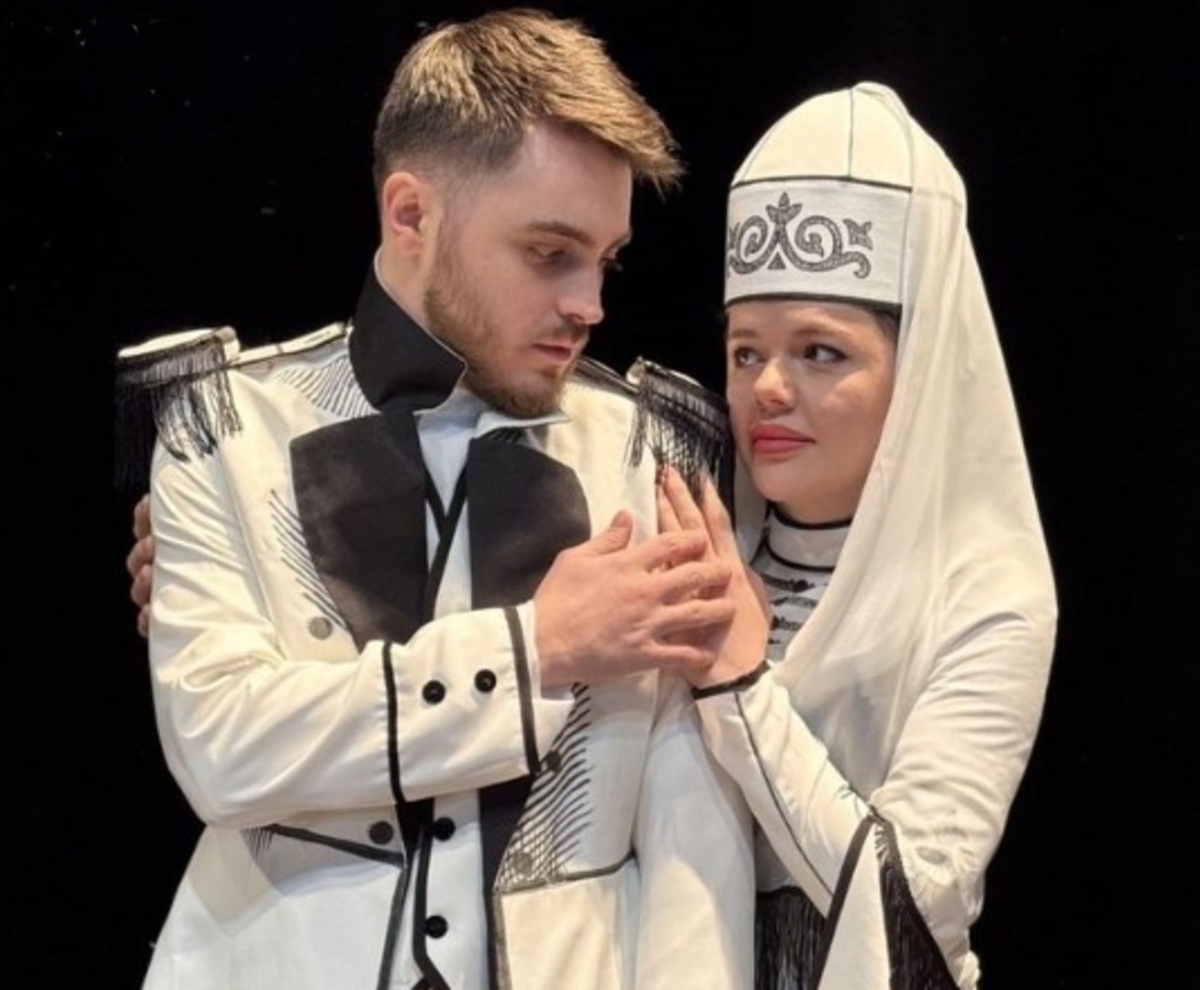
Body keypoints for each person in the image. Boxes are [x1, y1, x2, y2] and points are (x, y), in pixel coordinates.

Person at [112, 9, 755, 989]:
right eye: (549, 252)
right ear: (410, 215)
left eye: (606, 259)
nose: (590, 304)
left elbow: (688, 838)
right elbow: (222, 748)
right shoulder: (227, 427)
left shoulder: (651, 449)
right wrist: (538, 648)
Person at [656, 82, 1057, 989]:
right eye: (747, 350)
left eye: (820, 352)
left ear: (916, 377)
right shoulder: (697, 551)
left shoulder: (984, 595)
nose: (767, 388)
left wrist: (741, 686)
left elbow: (909, 901)